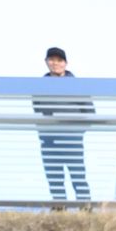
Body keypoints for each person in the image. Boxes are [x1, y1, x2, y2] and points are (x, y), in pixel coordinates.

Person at [36, 49, 92, 204]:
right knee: (54, 178)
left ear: (65, 63)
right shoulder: (39, 86)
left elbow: (90, 112)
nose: (55, 63)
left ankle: (85, 209)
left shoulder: (77, 85)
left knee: (78, 176)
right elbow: (39, 111)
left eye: (59, 60)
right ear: (46, 62)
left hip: (71, 140)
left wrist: (75, 132)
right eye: (52, 60)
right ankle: (59, 210)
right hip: (49, 140)